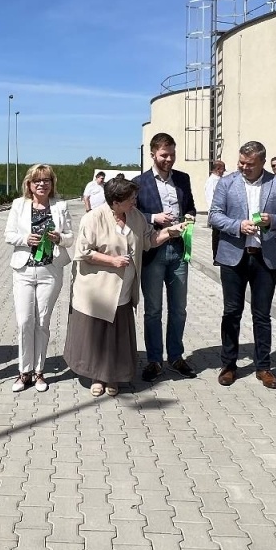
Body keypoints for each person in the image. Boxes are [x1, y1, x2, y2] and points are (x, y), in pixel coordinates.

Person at [66, 176, 174, 396]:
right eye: (130, 199)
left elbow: (148, 240)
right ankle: (97, 376)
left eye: (134, 197)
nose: (135, 202)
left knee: (117, 336)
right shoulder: (93, 218)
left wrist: (169, 233)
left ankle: (113, 377)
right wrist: (112, 261)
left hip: (123, 290)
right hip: (98, 289)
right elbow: (83, 252)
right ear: (115, 201)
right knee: (98, 334)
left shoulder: (136, 217)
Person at [208, 141, 276, 387]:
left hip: (264, 257)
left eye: (249, 164)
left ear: (262, 162)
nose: (244, 167)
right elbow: (214, 215)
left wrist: (273, 219)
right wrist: (237, 225)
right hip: (233, 256)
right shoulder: (227, 183)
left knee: (262, 315)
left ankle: (264, 366)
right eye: (241, 163)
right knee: (231, 312)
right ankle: (228, 365)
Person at [133, 133, 198, 382]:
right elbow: (134, 213)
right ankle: (153, 360)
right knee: (153, 310)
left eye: (172, 154)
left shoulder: (183, 179)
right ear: (152, 154)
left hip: (179, 250)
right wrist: (153, 218)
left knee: (179, 309)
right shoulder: (140, 182)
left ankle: (176, 356)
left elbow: (190, 205)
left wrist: (190, 217)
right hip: (153, 251)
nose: (169, 159)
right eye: (164, 155)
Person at [4, 164, 74, 392]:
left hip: (50, 270)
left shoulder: (60, 206)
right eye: (37, 181)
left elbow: (71, 237)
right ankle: (23, 372)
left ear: (52, 183)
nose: (42, 184)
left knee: (42, 322)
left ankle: (39, 371)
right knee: (25, 321)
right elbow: (8, 235)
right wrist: (26, 239)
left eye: (46, 180)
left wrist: (59, 238)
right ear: (29, 185)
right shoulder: (18, 205)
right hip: (24, 270)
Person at [203, 161, 226, 260]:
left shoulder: (221, 180)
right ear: (217, 169)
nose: (223, 171)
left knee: (222, 235)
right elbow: (210, 198)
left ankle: (221, 255)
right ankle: (216, 256)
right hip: (216, 212)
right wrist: (213, 213)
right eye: (222, 169)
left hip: (224, 212)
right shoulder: (212, 181)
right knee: (216, 235)